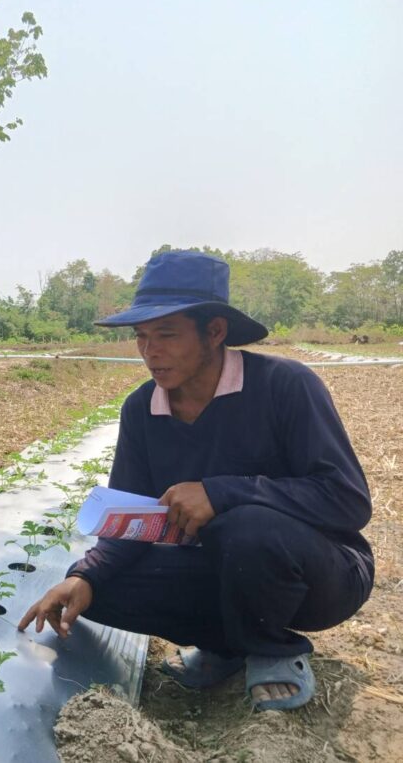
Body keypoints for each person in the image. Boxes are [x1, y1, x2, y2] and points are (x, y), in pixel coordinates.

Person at [19, 250, 374, 711]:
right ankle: (229, 646)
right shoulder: (142, 410)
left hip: (321, 572)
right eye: (142, 336)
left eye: (167, 334)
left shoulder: (285, 386)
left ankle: (272, 648)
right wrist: (86, 574)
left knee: (244, 524)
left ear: (215, 331)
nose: (151, 351)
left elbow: (347, 500)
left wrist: (222, 492)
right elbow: (131, 519)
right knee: (96, 595)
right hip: (229, 569)